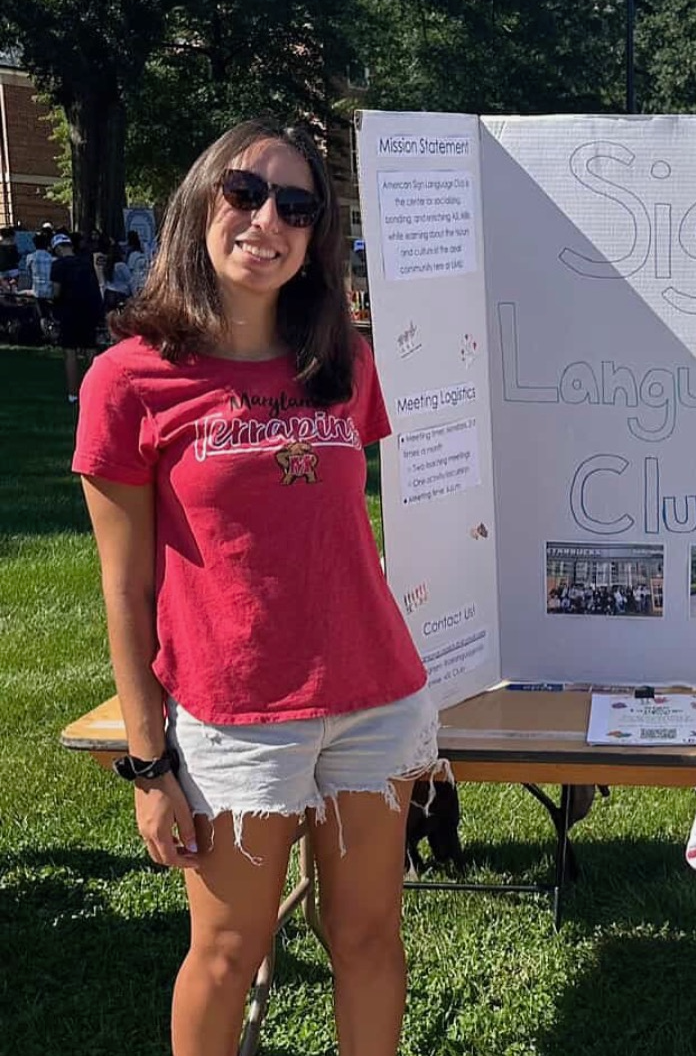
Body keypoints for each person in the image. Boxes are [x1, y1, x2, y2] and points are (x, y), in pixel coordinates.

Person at [72, 119, 440, 1056]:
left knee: (365, 937)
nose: (266, 219)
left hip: (375, 697)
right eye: (245, 192)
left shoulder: (345, 364)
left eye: (297, 206)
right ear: (201, 201)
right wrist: (151, 767)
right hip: (236, 712)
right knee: (230, 948)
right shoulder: (130, 381)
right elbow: (125, 589)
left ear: (317, 235)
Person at [50, 232, 105, 402]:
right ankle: (96, 391)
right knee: (90, 349)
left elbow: (56, 291)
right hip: (89, 309)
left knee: (70, 352)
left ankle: (73, 394)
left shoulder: (59, 265)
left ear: (58, 248)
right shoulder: (86, 262)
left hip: (69, 311)